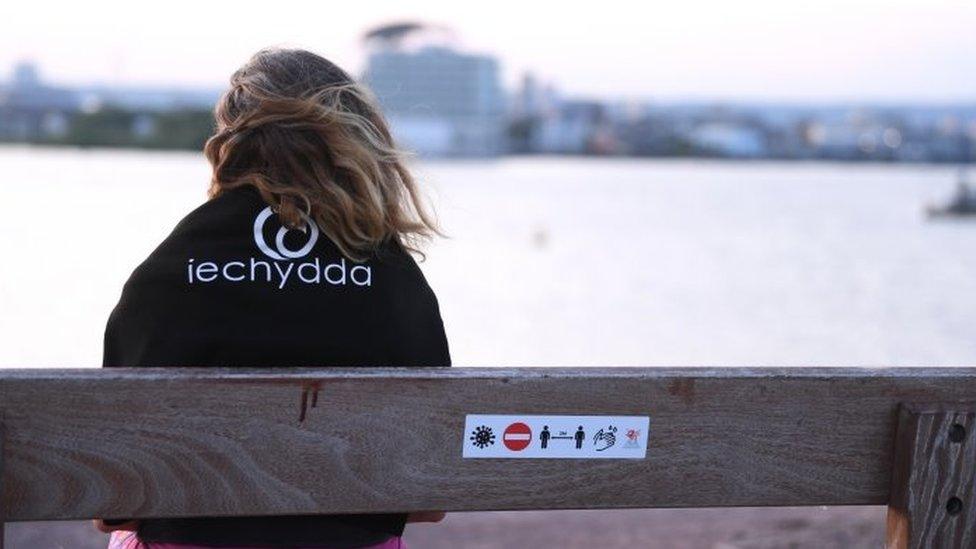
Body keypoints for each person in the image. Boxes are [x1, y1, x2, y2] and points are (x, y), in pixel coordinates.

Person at [96, 48, 450, 549]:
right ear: (356, 138)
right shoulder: (394, 277)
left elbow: (115, 505)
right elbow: (427, 500)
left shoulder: (167, 272)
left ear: (230, 142)